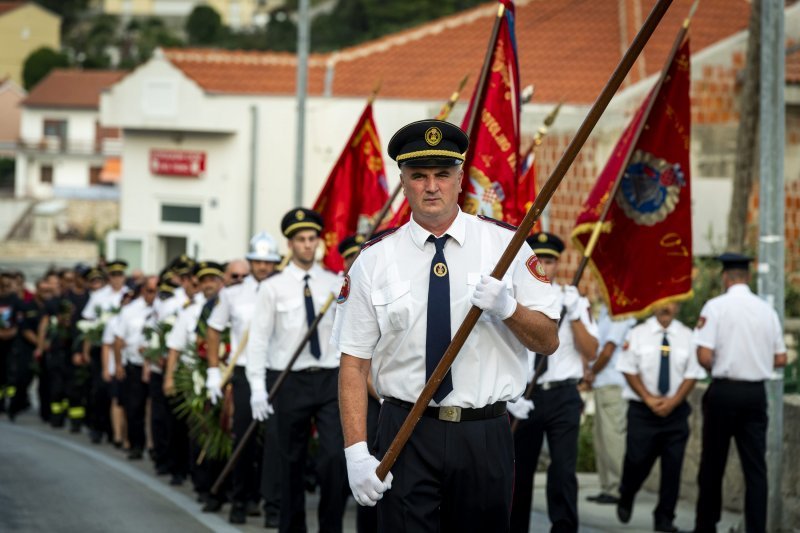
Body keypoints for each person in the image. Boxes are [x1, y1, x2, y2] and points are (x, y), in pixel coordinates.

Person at [334, 120, 561, 532]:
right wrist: (355, 451)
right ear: (403, 183)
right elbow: (353, 363)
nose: (431, 186)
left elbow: (547, 340)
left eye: (442, 174)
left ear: (460, 179)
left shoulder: (505, 246)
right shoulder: (374, 259)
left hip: (484, 432)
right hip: (404, 431)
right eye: (418, 176)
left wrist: (508, 308)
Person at [247, 209, 346, 533]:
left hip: (330, 377)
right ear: (290, 244)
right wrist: (258, 388)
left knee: (334, 458)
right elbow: (259, 340)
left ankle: (330, 527)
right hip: (288, 379)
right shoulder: (272, 287)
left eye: (312, 239)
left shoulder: (333, 282)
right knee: (290, 461)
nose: (307, 245)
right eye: (301, 240)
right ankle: (292, 528)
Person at [509, 232, 599, 533]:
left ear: (558, 264)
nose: (545, 266)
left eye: (550, 260)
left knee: (563, 470)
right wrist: (511, 395)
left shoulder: (574, 300)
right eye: (540, 260)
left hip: (562, 395)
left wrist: (574, 315)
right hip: (525, 397)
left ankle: (563, 528)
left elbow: (591, 351)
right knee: (520, 471)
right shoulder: (517, 299)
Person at [693, 253, 787, 533]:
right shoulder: (766, 310)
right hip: (755, 394)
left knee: (713, 463)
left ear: (726, 277)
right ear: (747, 277)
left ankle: (706, 525)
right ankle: (756, 529)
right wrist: (755, 360)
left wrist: (722, 362)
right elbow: (780, 358)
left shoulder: (716, 306)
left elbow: (705, 355)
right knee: (755, 468)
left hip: (724, 392)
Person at [206, 232, 282, 523]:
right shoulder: (232, 293)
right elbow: (214, 329)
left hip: (276, 371)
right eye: (258, 261)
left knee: (275, 441)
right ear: (250, 261)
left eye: (268, 261)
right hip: (244, 373)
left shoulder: (283, 288)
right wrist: (214, 371)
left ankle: (272, 506)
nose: (263, 266)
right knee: (243, 439)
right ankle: (241, 500)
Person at [615, 302, 706, 532]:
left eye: (672, 302)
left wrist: (673, 402)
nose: (666, 307)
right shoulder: (637, 334)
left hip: (674, 412)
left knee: (672, 467)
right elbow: (627, 368)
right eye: (662, 302)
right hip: (643, 411)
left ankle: (664, 518)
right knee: (637, 460)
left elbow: (693, 373)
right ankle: (627, 492)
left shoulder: (688, 336)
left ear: (677, 306)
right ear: (654, 305)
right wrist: (648, 398)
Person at [585, 305, 636, 505]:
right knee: (602, 440)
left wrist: (591, 372)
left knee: (614, 438)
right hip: (602, 383)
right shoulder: (607, 310)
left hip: (613, 382)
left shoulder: (622, 311)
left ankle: (617, 489)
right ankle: (607, 486)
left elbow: (607, 351)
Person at [113, 275, 158, 460]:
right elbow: (118, 338)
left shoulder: (163, 308)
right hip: (135, 365)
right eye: (149, 291)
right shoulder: (130, 310)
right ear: (142, 291)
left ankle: (154, 446)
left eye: (157, 291)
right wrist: (118, 364)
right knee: (134, 407)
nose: (153, 295)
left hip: (155, 365)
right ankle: (136, 445)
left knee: (155, 410)